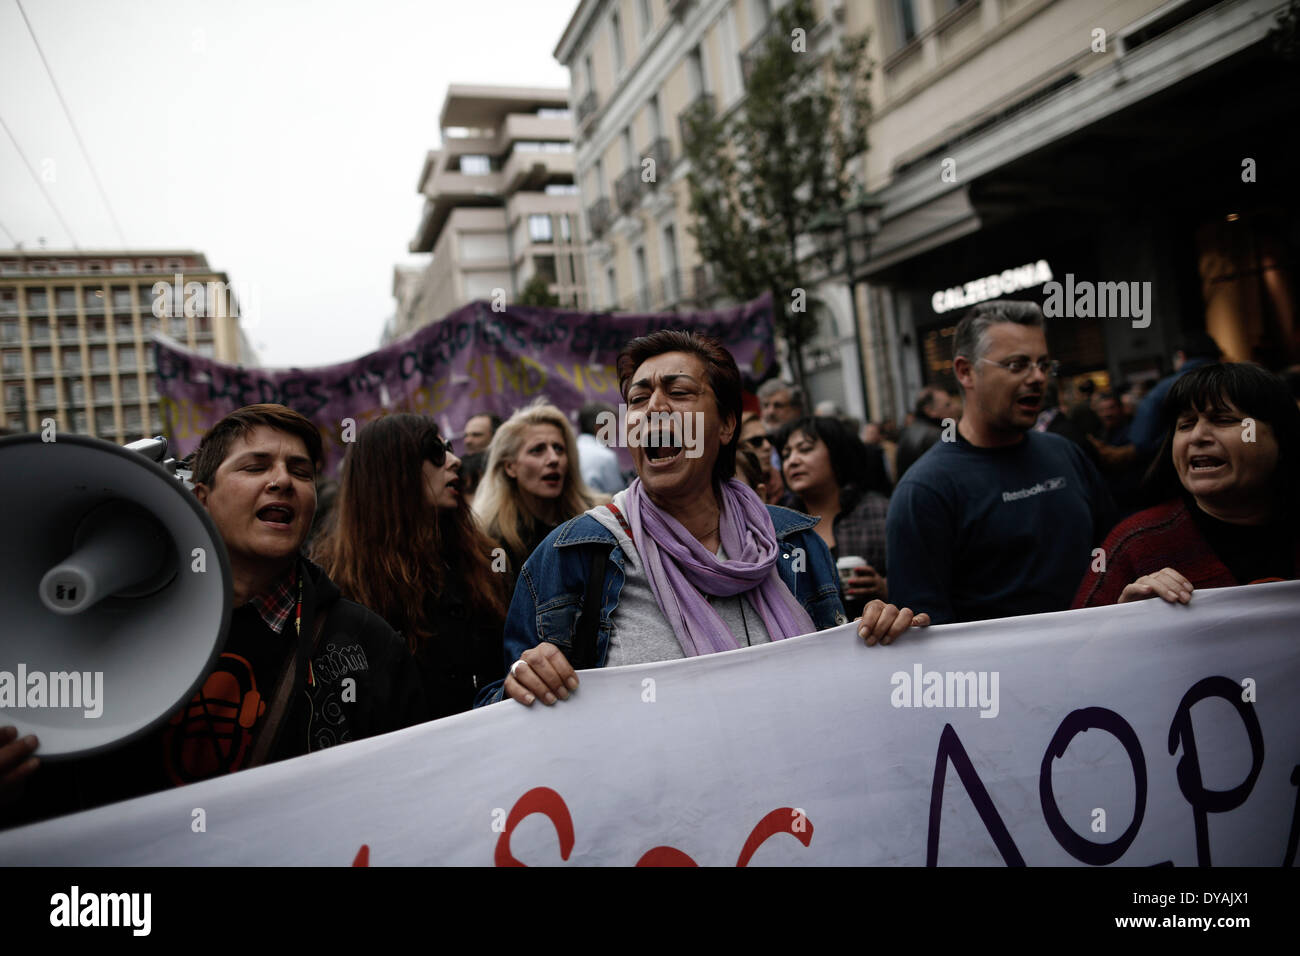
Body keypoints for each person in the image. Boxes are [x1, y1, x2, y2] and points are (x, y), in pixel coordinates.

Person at [1, 404, 427, 827]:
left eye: (300, 471)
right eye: (254, 467)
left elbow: (412, 790)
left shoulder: (368, 644)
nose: (281, 481)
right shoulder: (101, 633)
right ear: (202, 497)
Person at [476, 331, 928, 710]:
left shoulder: (793, 543)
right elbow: (502, 712)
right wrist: (522, 685)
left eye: (678, 393)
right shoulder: (572, 556)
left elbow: (844, 689)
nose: (654, 408)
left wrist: (882, 640)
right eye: (638, 397)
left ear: (727, 425)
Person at [886, 300, 1116, 625]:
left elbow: (1116, 555)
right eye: (1016, 365)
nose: (1037, 378)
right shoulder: (924, 491)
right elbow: (924, 630)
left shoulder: (1065, 453)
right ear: (966, 372)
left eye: (1042, 364)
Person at [312, 414, 507, 718]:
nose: (454, 461)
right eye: (435, 451)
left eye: (450, 448)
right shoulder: (338, 583)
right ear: (390, 470)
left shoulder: (482, 562)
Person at [1073, 363, 1300, 607]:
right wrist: (1124, 620)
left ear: (1280, 437)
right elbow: (1079, 642)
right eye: (1185, 425)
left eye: (1223, 420)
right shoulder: (1133, 544)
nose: (1197, 436)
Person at [474, 399, 603, 603]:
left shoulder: (598, 522)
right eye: (537, 450)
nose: (553, 459)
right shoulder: (492, 541)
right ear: (510, 467)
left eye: (559, 449)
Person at [777, 415, 891, 617]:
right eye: (786, 455)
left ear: (837, 454)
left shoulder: (879, 513)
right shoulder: (778, 526)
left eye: (805, 449)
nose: (792, 461)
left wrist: (884, 587)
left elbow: (917, 583)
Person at [1129, 332, 1223, 458]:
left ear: (1181, 356)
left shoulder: (1163, 389)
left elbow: (1142, 441)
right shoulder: (1236, 383)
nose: (1198, 435)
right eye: (1186, 426)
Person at [895, 385, 960, 480]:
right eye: (947, 405)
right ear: (930, 411)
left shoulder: (910, 430)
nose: (954, 408)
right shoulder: (936, 436)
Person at [739, 410, 794, 506]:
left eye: (769, 439)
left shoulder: (789, 481)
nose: (767, 446)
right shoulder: (730, 495)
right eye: (756, 441)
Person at [576, 400, 625, 494]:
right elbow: (617, 498)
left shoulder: (571, 449)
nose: (617, 431)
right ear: (599, 427)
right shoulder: (606, 456)